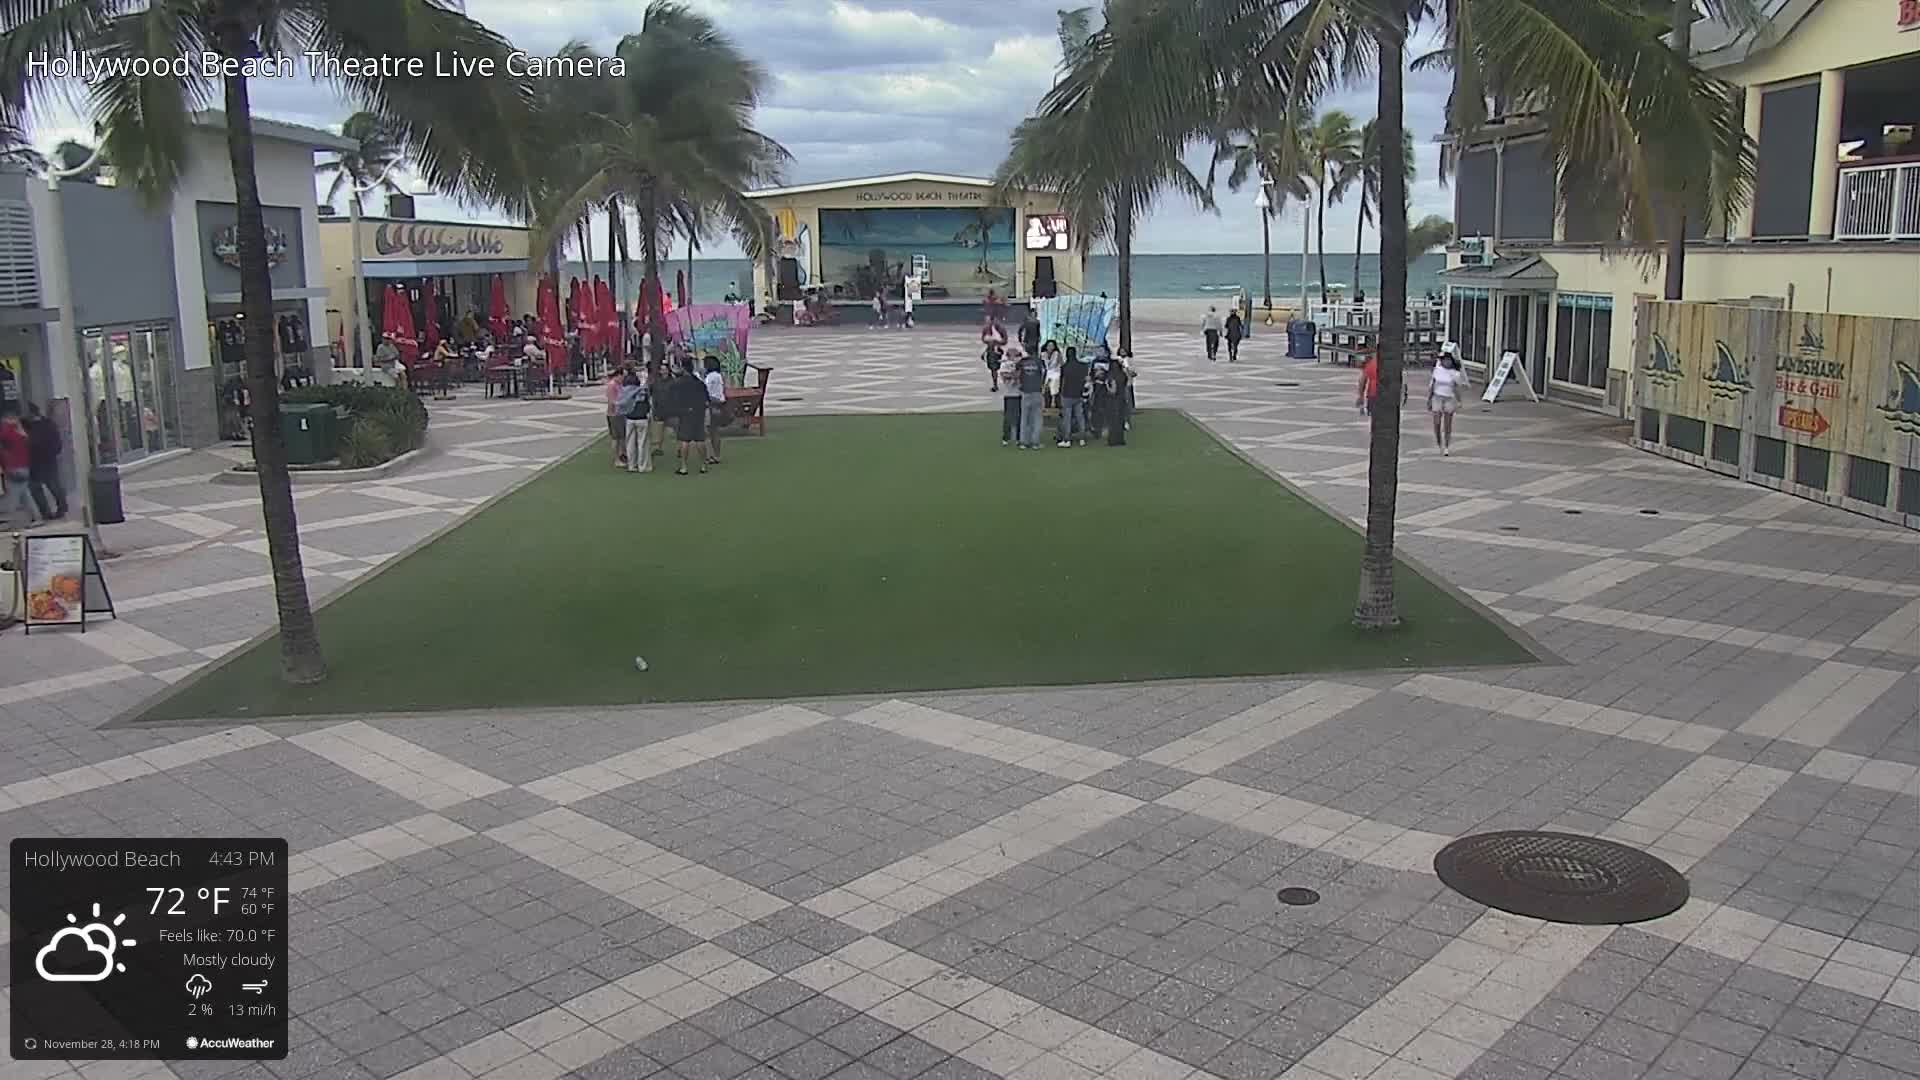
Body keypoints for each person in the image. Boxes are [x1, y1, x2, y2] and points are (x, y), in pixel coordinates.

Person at [24, 404, 68, 521]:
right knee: (43, 486)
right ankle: (51, 510)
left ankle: (57, 508)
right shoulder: (43, 425)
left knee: (50, 485)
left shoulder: (43, 426)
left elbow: (56, 442)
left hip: (44, 460)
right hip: (38, 460)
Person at [668, 358, 708, 475]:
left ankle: (684, 466)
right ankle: (703, 465)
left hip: (685, 413)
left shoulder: (678, 383)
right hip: (698, 412)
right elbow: (705, 397)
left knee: (685, 440)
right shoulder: (698, 382)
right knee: (700, 439)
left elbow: (672, 396)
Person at [1428, 349, 1470, 456]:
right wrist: (1429, 399)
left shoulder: (1455, 373)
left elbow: (1456, 388)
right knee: (1437, 422)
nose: (1446, 362)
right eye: (1443, 360)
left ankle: (1446, 446)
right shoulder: (1437, 370)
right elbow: (1432, 385)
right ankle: (1439, 442)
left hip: (1449, 398)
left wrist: (1459, 401)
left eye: (1448, 360)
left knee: (1447, 423)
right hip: (1437, 397)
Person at [0, 409, 33, 526]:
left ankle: (12, 522)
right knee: (24, 494)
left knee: (13, 496)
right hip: (24, 466)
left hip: (13, 467)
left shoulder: (7, 431)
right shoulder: (20, 432)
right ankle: (33, 517)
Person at [615, 368, 652, 473]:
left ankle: (631, 465)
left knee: (630, 443)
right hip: (642, 418)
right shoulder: (642, 391)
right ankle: (643, 466)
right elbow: (648, 404)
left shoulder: (624, 393)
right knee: (642, 443)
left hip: (630, 419)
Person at [1014, 341, 1046, 449]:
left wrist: (1020, 384)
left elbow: (1017, 375)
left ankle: (1024, 441)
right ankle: (1035, 442)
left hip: (1025, 391)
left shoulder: (1022, 362)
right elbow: (1044, 375)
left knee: (1025, 417)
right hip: (1037, 391)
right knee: (1037, 418)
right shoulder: (1039, 362)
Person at [1056, 347, 1089, 447]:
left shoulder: (1065, 367)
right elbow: (1085, 379)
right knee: (1080, 417)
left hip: (1067, 394)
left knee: (1067, 418)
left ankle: (1067, 439)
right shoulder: (1083, 366)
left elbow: (1062, 382)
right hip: (1078, 394)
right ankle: (1082, 438)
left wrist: (1059, 394)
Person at [702, 356, 728, 466]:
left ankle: (709, 455)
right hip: (719, 404)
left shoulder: (710, 377)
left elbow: (706, 391)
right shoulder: (718, 376)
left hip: (712, 405)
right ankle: (717, 455)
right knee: (715, 431)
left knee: (709, 432)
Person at [999, 343, 1025, 446]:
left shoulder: (1021, 364)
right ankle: (1006, 437)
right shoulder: (1005, 365)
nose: (1016, 357)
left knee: (1019, 417)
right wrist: (1015, 373)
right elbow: (1005, 375)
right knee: (1008, 417)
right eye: (1014, 355)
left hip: (1020, 394)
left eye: (1018, 355)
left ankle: (1019, 437)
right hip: (1009, 394)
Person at [604, 367, 629, 466]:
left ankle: (623, 455)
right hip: (614, 414)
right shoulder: (612, 385)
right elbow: (612, 401)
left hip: (620, 413)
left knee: (622, 437)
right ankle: (616, 459)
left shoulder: (619, 385)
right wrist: (621, 404)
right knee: (616, 438)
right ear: (618, 375)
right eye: (623, 376)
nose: (624, 379)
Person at [1106, 354, 1131, 446]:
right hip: (1122, 399)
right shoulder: (1122, 375)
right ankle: (1120, 439)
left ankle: (1113, 440)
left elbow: (1112, 390)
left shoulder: (1111, 376)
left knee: (1113, 421)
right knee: (1120, 420)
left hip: (1113, 400)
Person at [980, 320, 1007, 391]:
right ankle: (995, 383)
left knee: (994, 368)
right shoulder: (986, 328)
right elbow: (983, 339)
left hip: (996, 351)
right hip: (991, 350)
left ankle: (996, 384)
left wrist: (996, 341)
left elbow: (1005, 340)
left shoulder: (1001, 329)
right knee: (993, 368)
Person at [1039, 340, 1062, 411]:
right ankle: (1047, 406)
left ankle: (1058, 407)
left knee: (1056, 391)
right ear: (1046, 347)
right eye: (1049, 345)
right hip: (1046, 375)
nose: (1050, 347)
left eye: (1052, 345)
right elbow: (1042, 365)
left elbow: (1060, 364)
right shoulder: (1042, 354)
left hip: (1056, 375)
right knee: (1046, 392)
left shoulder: (1057, 354)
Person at [1356, 352, 1380, 416]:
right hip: (1388, 396)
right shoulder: (1378, 361)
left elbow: (1362, 382)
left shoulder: (1369, 365)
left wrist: (1360, 397)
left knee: (1375, 418)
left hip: (1373, 394)